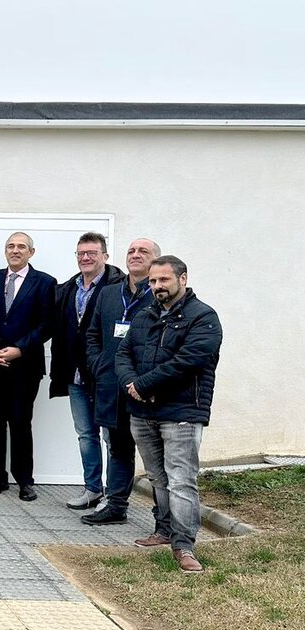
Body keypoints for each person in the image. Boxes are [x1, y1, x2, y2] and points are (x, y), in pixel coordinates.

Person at [116, 255, 222, 573]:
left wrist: (144, 384)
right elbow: (123, 353)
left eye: (163, 280)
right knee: (157, 478)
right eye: (152, 281)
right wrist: (130, 384)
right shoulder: (145, 315)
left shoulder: (204, 317)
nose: (157, 286)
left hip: (182, 411)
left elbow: (189, 360)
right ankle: (163, 531)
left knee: (181, 480)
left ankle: (184, 546)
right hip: (142, 411)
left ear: (182, 279)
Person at [82, 238, 163, 536]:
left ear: (156, 259)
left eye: (143, 251)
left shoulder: (159, 294)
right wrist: (98, 364)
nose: (136, 255)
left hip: (144, 388)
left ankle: (163, 517)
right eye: (131, 251)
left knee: (155, 456)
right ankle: (116, 506)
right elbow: (92, 334)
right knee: (117, 448)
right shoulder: (108, 294)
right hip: (111, 385)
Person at [48, 232, 123, 509]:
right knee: (86, 435)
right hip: (75, 375)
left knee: (111, 438)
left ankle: (114, 496)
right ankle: (92, 489)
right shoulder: (69, 288)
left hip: (105, 377)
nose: (86, 258)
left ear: (105, 256)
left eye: (92, 253)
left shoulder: (118, 287)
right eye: (81, 253)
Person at [0, 232, 56, 501]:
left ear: (31, 253)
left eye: (21, 247)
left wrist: (19, 349)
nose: (15, 250)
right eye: (10, 246)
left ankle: (24, 480)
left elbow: (46, 324)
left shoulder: (45, 283)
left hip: (25, 365)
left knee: (21, 421)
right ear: (5, 251)